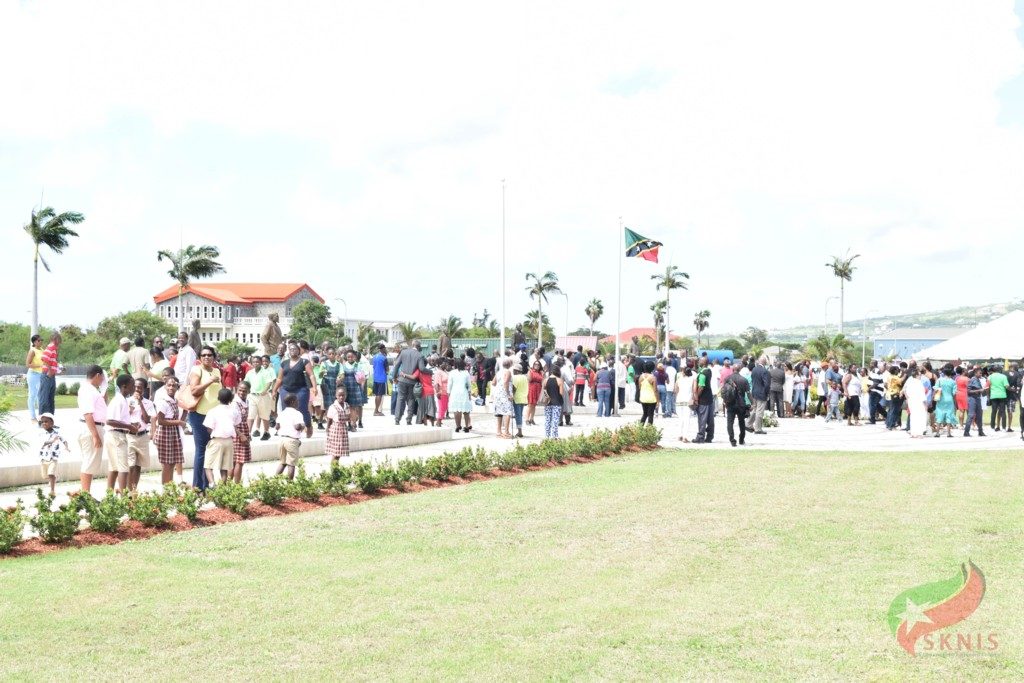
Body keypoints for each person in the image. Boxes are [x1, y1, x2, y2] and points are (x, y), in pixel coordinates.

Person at [186, 345, 222, 490]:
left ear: (214, 357)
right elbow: (194, 390)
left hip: (214, 416)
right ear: (200, 358)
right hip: (199, 415)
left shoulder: (217, 371)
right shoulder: (196, 370)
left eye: (209, 355)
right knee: (201, 450)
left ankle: (207, 484)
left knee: (211, 450)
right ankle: (198, 486)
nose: (206, 357)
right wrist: (209, 381)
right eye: (204, 355)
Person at [273, 342, 318, 438]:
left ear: (299, 351)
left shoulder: (304, 362)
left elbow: (311, 375)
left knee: (302, 409)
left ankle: (308, 426)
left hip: (300, 389)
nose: (292, 350)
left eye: (295, 349)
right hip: (285, 389)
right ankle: (288, 429)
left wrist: (314, 387)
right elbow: (279, 378)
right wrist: (274, 390)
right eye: (291, 349)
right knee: (286, 410)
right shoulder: (284, 363)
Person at [77, 365, 107, 494]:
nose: (102, 381)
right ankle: (85, 494)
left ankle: (86, 493)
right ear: (98, 375)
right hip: (92, 427)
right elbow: (88, 413)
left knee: (90, 462)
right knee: (89, 462)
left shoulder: (92, 390)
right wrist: (95, 435)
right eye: (102, 378)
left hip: (94, 426)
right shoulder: (88, 390)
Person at [105, 374, 138, 492]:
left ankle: (109, 497)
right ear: (124, 386)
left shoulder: (122, 400)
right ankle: (123, 498)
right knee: (123, 468)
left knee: (113, 467)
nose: (134, 387)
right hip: (117, 436)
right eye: (132, 385)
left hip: (116, 434)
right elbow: (109, 421)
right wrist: (128, 426)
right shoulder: (118, 400)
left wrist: (130, 426)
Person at [203, 387, 239, 485]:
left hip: (217, 440)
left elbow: (209, 427)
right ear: (231, 399)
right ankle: (222, 488)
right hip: (229, 441)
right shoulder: (234, 410)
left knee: (208, 465)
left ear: (218, 398)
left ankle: (212, 484)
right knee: (224, 467)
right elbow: (236, 423)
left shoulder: (212, 411)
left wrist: (213, 432)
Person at [154, 376, 186, 486]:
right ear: (165, 386)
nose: (171, 387)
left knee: (172, 463)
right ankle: (165, 489)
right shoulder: (163, 401)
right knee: (167, 464)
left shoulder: (174, 400)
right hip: (165, 434)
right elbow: (161, 421)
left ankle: (169, 487)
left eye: (173, 385)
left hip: (173, 433)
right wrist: (178, 422)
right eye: (169, 385)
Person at [126, 378, 154, 491]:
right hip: (130, 436)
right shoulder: (127, 401)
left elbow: (147, 420)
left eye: (140, 387)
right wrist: (130, 410)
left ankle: (134, 490)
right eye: (135, 386)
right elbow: (122, 418)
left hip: (143, 436)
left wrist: (141, 403)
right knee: (130, 465)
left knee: (138, 466)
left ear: (144, 388)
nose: (137, 389)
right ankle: (127, 492)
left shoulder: (149, 403)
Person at [393, 341, 427, 425]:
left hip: (402, 380)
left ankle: (397, 419)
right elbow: (422, 369)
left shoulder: (404, 352)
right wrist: (430, 372)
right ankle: (409, 419)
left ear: (412, 345)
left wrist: (394, 377)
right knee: (411, 399)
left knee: (400, 399)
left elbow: (396, 364)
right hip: (412, 381)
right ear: (419, 347)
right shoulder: (419, 355)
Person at [37, 413, 68, 496]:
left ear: (52, 423)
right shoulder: (41, 433)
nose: (43, 423)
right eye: (42, 422)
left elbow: (63, 439)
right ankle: (52, 479)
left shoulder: (57, 433)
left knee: (50, 473)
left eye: (46, 421)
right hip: (44, 457)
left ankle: (52, 490)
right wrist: (52, 441)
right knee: (45, 476)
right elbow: (44, 443)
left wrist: (66, 447)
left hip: (53, 457)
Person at [275, 394, 305, 480]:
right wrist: (303, 426)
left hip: (281, 440)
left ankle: (274, 481)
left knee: (282, 463)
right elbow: (297, 427)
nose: (298, 402)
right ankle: (290, 485)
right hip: (291, 440)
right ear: (292, 402)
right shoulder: (297, 413)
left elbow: (277, 426)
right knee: (291, 464)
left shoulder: (282, 413)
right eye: (297, 401)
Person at [245, 356, 274, 440]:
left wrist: (264, 391)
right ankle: (248, 434)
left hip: (263, 396)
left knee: (264, 415)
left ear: (261, 363)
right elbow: (246, 382)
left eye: (257, 362)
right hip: (252, 396)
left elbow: (269, 382)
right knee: (250, 415)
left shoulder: (266, 372)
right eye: (254, 362)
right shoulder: (250, 372)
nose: (255, 363)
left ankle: (266, 432)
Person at [232, 381, 254, 482]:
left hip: (243, 430)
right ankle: (236, 486)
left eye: (244, 391)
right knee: (238, 461)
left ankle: (230, 486)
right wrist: (241, 435)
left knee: (237, 461)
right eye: (240, 390)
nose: (242, 392)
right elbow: (232, 422)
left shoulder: (246, 401)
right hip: (237, 432)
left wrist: (247, 433)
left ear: (248, 391)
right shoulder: (235, 403)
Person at [723, 369, 750, 447]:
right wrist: (752, 403)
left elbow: (724, 391)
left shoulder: (727, 379)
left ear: (733, 370)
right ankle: (741, 439)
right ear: (739, 370)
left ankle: (732, 440)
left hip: (730, 403)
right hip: (741, 403)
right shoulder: (744, 379)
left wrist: (725, 400)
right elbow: (748, 393)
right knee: (741, 422)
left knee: (730, 422)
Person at [340, 350, 366, 431]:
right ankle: (348, 424)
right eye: (348, 357)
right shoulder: (343, 366)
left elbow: (362, 377)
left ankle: (353, 424)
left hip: (355, 387)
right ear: (346, 357)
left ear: (354, 357)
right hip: (346, 387)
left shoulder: (358, 365)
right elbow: (341, 375)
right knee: (346, 407)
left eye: (352, 356)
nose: (350, 358)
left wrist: (362, 386)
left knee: (354, 407)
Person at [447, 357, 474, 433]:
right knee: (466, 410)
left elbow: (449, 384)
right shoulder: (466, 373)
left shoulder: (452, 372)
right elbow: (469, 385)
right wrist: (469, 393)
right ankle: (466, 426)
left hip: (454, 392)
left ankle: (458, 426)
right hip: (464, 392)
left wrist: (448, 393)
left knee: (456, 410)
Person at [325, 387, 351, 463]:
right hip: (335, 430)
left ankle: (336, 468)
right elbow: (329, 419)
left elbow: (348, 416)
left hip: (343, 429)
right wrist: (328, 429)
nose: (341, 397)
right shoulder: (333, 407)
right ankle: (334, 469)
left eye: (343, 395)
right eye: (339, 395)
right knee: (335, 452)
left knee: (340, 452)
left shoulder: (346, 405)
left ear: (346, 396)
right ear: (336, 396)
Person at [38, 331, 61, 417]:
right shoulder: (50, 347)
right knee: (45, 398)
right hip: (47, 375)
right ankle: (43, 421)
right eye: (59, 340)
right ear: (55, 339)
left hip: (51, 376)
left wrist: (57, 369)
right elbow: (44, 359)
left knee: (50, 399)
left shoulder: (54, 350)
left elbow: (52, 362)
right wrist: (50, 370)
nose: (59, 343)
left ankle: (50, 421)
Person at [693, 357, 715, 443]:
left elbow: (701, 387)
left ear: (703, 363)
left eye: (700, 361)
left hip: (703, 399)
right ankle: (709, 437)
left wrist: (696, 397)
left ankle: (700, 437)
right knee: (710, 419)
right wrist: (695, 362)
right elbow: (696, 369)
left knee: (702, 418)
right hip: (709, 398)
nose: (698, 362)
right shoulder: (708, 370)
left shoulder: (702, 374)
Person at [747, 356, 770, 434]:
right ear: (765, 362)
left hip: (754, 392)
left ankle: (748, 424)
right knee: (759, 411)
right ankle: (758, 429)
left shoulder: (754, 369)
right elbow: (766, 384)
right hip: (762, 393)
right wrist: (767, 393)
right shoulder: (765, 371)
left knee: (755, 409)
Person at [902, 367, 927, 438]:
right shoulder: (919, 383)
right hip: (918, 401)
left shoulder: (910, 382)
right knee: (920, 417)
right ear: (916, 376)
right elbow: (922, 394)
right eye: (919, 375)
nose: (920, 376)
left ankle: (913, 432)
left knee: (913, 417)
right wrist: (925, 404)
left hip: (911, 401)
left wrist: (908, 399)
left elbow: (905, 391)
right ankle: (919, 433)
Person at [492, 358, 514, 438]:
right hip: (504, 394)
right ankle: (506, 432)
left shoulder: (498, 372)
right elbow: (506, 382)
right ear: (510, 365)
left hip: (498, 394)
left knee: (499, 413)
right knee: (507, 412)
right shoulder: (508, 372)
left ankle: (498, 431)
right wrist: (508, 394)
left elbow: (493, 383)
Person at [933, 368, 958, 438]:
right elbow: (954, 393)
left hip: (940, 399)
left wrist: (934, 397)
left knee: (939, 415)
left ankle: (937, 433)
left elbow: (935, 389)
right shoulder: (953, 382)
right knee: (949, 416)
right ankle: (948, 433)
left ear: (944, 373)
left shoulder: (939, 380)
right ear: (950, 374)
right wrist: (955, 402)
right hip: (949, 400)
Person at [25, 334, 44, 421]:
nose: (41, 342)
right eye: (39, 340)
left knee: (40, 395)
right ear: (35, 342)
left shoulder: (42, 350)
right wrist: (40, 364)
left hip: (41, 374)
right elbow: (28, 364)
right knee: (32, 395)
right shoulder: (32, 351)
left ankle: (41, 416)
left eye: (41, 340)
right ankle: (33, 417)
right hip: (33, 374)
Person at [963, 367, 986, 437]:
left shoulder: (979, 380)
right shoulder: (972, 380)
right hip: (972, 399)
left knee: (979, 415)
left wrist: (985, 391)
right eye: (980, 373)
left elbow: (980, 391)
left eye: (981, 373)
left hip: (978, 399)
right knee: (971, 415)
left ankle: (980, 431)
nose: (981, 374)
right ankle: (966, 432)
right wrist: (979, 391)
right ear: (975, 373)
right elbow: (968, 391)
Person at [543, 367, 564, 439]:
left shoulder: (545, 380)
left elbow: (544, 392)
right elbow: (561, 393)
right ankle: (554, 436)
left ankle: (547, 436)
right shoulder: (560, 380)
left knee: (548, 420)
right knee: (555, 420)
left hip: (547, 403)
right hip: (557, 403)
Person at [988, 364, 1009, 431]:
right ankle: (1003, 427)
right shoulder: (1003, 376)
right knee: (1003, 412)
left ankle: (992, 427)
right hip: (1002, 395)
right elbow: (1006, 386)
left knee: (993, 412)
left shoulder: (990, 377)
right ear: (1000, 370)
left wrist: (988, 396)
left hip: (993, 396)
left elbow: (988, 387)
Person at [676, 365, 694, 442]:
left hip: (679, 400)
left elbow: (675, 390)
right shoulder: (692, 379)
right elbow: (694, 391)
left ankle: (679, 435)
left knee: (680, 418)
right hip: (687, 401)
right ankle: (685, 436)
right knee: (687, 419)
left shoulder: (679, 379)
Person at [637, 361, 658, 426]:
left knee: (645, 414)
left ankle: (640, 429)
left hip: (643, 398)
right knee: (651, 415)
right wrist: (658, 401)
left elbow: (640, 387)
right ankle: (649, 431)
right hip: (651, 398)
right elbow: (655, 390)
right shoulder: (653, 378)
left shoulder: (641, 377)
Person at [511, 366, 528, 438]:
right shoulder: (524, 377)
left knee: (518, 415)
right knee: (520, 414)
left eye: (514, 371)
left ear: (516, 371)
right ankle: (519, 429)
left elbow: (514, 388)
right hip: (523, 398)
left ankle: (519, 431)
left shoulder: (515, 377)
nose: (513, 372)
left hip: (517, 398)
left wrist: (511, 395)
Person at [433, 360, 450, 427]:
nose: (446, 364)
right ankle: (438, 422)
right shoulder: (438, 372)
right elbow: (436, 383)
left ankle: (439, 421)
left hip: (446, 392)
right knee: (441, 407)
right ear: (439, 364)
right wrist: (438, 392)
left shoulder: (444, 371)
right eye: (444, 363)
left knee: (445, 407)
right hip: (441, 392)